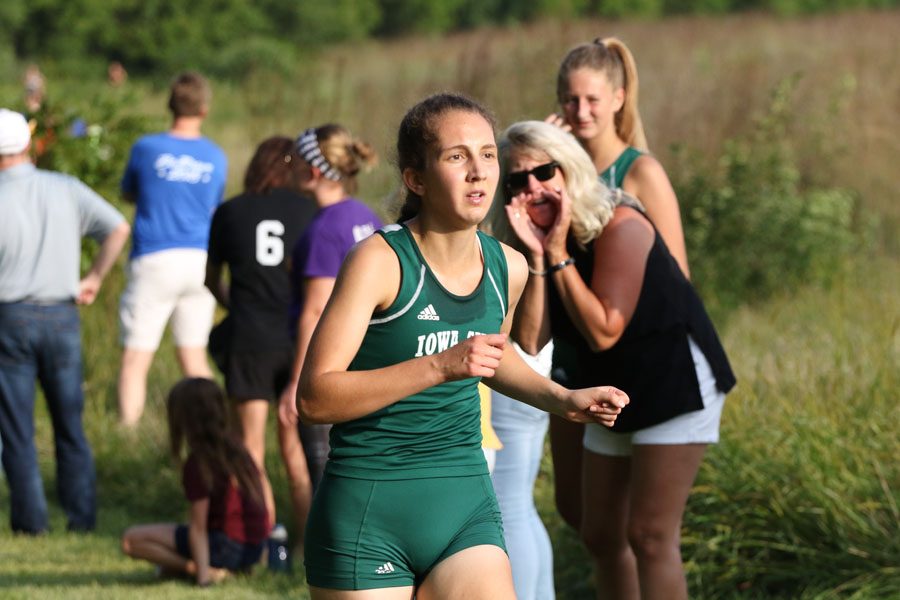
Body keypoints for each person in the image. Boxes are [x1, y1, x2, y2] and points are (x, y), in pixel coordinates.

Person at [295, 93, 629, 599]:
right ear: (416, 179)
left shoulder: (509, 268)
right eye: (457, 157)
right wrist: (438, 367)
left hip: (464, 506)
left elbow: (491, 359)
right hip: (368, 510)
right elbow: (315, 398)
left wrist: (564, 399)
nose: (478, 172)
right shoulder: (379, 261)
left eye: (487, 155)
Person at [490, 120, 735, 600]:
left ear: (571, 169)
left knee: (649, 535)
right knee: (600, 533)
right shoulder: (530, 241)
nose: (533, 188)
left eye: (544, 172)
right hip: (611, 388)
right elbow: (533, 341)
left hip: (674, 381)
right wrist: (539, 258)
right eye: (517, 180)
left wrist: (557, 250)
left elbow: (604, 330)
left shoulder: (621, 222)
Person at [546, 36, 693, 535]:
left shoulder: (640, 171)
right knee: (576, 508)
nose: (581, 111)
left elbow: (679, 281)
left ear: (618, 97)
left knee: (632, 524)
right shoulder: (556, 173)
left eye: (591, 99)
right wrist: (545, 158)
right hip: (570, 355)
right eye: (570, 100)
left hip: (630, 358)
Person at [0, 108, 130, 534]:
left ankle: (31, 522)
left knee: (17, 428)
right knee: (70, 425)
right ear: (27, 145)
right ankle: (82, 517)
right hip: (61, 313)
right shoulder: (65, 187)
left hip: (9, 317)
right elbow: (117, 227)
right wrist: (93, 278)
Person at [204, 137, 317, 538]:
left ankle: (262, 541)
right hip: (298, 341)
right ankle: (307, 546)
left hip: (249, 338)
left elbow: (210, 279)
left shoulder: (229, 212)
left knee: (250, 450)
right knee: (296, 452)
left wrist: (236, 304)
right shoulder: (310, 210)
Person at [276, 124, 382, 501]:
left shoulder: (323, 230)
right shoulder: (367, 218)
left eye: (294, 159)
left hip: (332, 367)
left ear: (314, 170)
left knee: (327, 476)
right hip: (368, 365)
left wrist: (295, 382)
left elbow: (316, 309)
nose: (288, 166)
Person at [117, 71, 227, 426]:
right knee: (193, 356)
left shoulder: (146, 148)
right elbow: (213, 204)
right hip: (201, 261)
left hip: (155, 257)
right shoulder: (216, 156)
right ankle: (217, 429)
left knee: (136, 358)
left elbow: (129, 192)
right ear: (205, 109)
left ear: (170, 105)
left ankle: (129, 431)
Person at [122, 378, 270, 586]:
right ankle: (217, 568)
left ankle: (197, 569)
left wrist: (202, 579)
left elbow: (198, 529)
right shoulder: (238, 450)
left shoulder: (199, 462)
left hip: (224, 546)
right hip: (253, 548)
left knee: (130, 540)